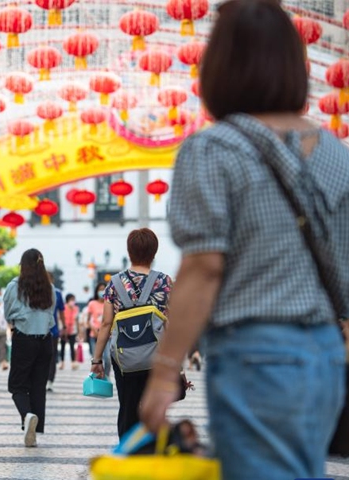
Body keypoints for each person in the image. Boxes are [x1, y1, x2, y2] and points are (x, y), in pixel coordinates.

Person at [139, 2, 349, 478]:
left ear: (220, 65)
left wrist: (165, 372)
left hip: (254, 350)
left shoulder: (214, 148)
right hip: (324, 353)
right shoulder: (337, 153)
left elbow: (205, 267)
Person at [91, 228, 173, 438]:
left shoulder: (114, 284)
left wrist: (97, 359)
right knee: (155, 408)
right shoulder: (164, 282)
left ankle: (128, 455)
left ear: (129, 252)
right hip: (157, 356)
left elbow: (106, 323)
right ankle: (152, 454)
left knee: (127, 407)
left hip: (123, 358)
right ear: (154, 253)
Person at [3, 249, 55, 447]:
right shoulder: (49, 287)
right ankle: (33, 431)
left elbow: (8, 313)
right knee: (37, 386)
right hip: (45, 341)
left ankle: (27, 416)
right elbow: (51, 317)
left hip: (24, 339)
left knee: (16, 386)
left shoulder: (14, 286)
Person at [45, 275, 64, 393]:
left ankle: (50, 381)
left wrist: (65, 326)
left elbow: (61, 311)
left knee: (52, 357)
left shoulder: (57, 293)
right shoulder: (37, 291)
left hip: (53, 330)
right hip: (38, 330)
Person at [86, 282, 108, 372]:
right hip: (94, 335)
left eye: (104, 289)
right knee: (96, 359)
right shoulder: (92, 303)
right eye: (100, 289)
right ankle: (97, 377)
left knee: (107, 358)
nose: (102, 291)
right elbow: (88, 320)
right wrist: (93, 329)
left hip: (107, 335)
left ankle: (106, 375)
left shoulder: (109, 303)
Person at [58, 294, 80, 371]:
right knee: (63, 347)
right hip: (64, 330)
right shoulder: (63, 307)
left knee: (72, 346)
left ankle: (73, 363)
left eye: (73, 299)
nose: (72, 301)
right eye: (71, 299)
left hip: (73, 330)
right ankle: (62, 362)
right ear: (67, 300)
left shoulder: (76, 308)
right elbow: (60, 318)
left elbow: (77, 320)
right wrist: (61, 329)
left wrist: (78, 331)